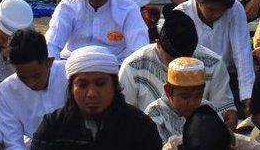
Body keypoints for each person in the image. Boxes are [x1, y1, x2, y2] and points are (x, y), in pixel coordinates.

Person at [119, 9, 236, 127]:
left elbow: (225, 111)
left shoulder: (214, 63)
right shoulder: (133, 66)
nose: (182, 65)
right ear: (158, 45)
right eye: (172, 60)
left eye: (187, 58)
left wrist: (227, 122)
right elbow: (124, 118)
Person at [31, 45, 162, 150]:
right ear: (71, 88)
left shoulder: (139, 127)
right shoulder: (53, 127)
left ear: (114, 85)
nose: (92, 93)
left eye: (100, 84)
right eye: (82, 85)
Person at [175, 0, 255, 113]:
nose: (217, 14)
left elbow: (242, 52)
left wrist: (248, 96)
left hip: (229, 80)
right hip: (192, 82)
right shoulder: (181, 14)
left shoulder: (235, 9)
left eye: (222, 10)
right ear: (198, 0)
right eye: (211, 9)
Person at [0, 29, 68, 150]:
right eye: (23, 78)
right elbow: (13, 143)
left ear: (49, 62)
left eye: (36, 76)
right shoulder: (7, 90)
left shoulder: (69, 75)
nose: (31, 83)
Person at [144, 57, 209, 143]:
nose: (192, 103)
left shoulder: (207, 109)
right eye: (185, 96)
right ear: (168, 90)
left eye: (198, 96)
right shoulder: (154, 114)